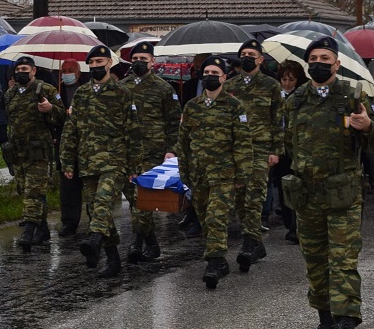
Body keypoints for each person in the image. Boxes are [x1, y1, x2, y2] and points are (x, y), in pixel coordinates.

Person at [281, 36, 374, 329]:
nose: (319, 63)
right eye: (313, 59)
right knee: (315, 262)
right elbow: (289, 144)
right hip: (307, 196)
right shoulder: (295, 100)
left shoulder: (353, 96)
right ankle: (325, 324)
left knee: (342, 262)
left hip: (342, 195)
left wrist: (367, 126)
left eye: (325, 58)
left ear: (337, 64)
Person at [60, 45, 136, 278]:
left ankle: (94, 239)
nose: (95, 66)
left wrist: (134, 165)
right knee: (95, 209)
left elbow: (132, 130)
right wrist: (67, 161)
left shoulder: (122, 93)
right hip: (88, 161)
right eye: (91, 63)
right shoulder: (82, 94)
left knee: (103, 202)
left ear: (109, 63)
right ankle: (112, 258)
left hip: (114, 161)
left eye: (99, 62)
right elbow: (71, 130)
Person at [178, 56, 253, 288]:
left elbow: (242, 142)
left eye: (215, 73)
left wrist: (243, 174)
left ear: (224, 77)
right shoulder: (192, 107)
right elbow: (184, 142)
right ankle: (217, 258)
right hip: (199, 174)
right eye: (207, 73)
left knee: (216, 217)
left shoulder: (234, 106)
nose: (210, 77)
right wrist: (184, 171)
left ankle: (215, 261)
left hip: (224, 173)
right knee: (204, 218)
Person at [120, 39, 182, 263]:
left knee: (142, 198)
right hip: (128, 151)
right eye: (135, 59)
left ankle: (137, 242)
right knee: (133, 198)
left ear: (152, 61)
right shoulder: (122, 86)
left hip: (153, 151)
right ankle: (152, 244)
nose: (138, 62)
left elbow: (174, 122)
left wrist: (171, 149)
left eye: (143, 59)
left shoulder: (163, 88)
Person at [224, 39, 283, 270]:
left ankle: (249, 243)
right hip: (236, 149)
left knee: (254, 196)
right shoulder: (230, 84)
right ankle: (256, 243)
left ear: (260, 59)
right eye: (244, 54)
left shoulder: (271, 85)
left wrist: (275, 149)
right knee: (239, 197)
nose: (247, 58)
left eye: (251, 54)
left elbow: (278, 119)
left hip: (260, 147)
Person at [3, 55, 61, 250]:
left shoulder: (46, 90)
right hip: (18, 152)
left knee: (34, 191)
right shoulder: (10, 94)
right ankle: (42, 228)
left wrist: (50, 109)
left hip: (38, 151)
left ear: (34, 71)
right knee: (24, 189)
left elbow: (63, 115)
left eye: (25, 70)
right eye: (18, 70)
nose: (21, 73)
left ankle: (28, 231)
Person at [271, 61, 306, 244]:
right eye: (284, 79)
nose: (287, 83)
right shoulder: (276, 95)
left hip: (297, 147)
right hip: (281, 148)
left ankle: (297, 226)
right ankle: (289, 223)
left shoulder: (302, 97)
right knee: (283, 186)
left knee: (297, 186)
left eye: (291, 79)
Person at [55, 59, 84, 236]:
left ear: (78, 73)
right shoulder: (56, 92)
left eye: (70, 70)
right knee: (67, 187)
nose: (67, 74)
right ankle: (69, 222)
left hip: (84, 145)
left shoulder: (85, 90)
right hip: (64, 145)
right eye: (64, 70)